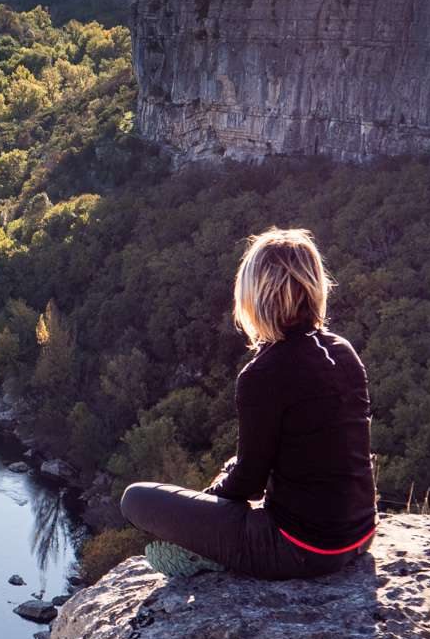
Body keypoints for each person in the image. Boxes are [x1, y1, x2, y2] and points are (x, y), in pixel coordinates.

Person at [120, 227, 377, 579]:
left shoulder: (263, 374)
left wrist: (208, 503)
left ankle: (204, 555)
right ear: (316, 288)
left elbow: (248, 485)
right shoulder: (343, 351)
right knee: (233, 465)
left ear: (254, 297)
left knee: (135, 499)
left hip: (299, 551)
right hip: (361, 536)